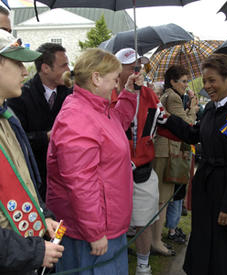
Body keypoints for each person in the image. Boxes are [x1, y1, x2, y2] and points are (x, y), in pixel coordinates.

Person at [158, 53, 227, 275]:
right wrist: (167, 119)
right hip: (207, 184)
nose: (207, 86)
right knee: (204, 241)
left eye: (212, 80)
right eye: (205, 81)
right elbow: (194, 134)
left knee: (226, 250)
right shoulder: (212, 108)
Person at [46, 48, 140, 275]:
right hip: (88, 231)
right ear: (96, 78)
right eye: (115, 79)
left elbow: (117, 124)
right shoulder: (78, 117)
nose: (117, 85)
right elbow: (81, 183)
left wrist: (129, 93)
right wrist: (95, 232)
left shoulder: (96, 108)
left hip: (105, 223)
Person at [0, 29, 64, 275]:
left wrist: (42, 214)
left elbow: (23, 179)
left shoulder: (7, 117)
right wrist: (33, 252)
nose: (26, 72)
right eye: (18, 63)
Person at [113, 48, 167, 275]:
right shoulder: (106, 92)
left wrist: (194, 132)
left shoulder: (149, 94)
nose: (139, 71)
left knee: (144, 220)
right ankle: (115, 262)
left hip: (142, 170)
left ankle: (143, 264)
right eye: (133, 66)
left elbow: (165, 120)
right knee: (114, 223)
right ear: (120, 70)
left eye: (141, 66)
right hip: (114, 174)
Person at [8, 42, 72, 201]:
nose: (68, 70)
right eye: (63, 65)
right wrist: (46, 136)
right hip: (37, 180)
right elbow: (16, 140)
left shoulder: (71, 93)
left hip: (66, 178)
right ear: (45, 68)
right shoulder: (19, 96)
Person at [152, 65, 198, 253]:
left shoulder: (170, 96)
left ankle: (156, 239)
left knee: (163, 198)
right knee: (162, 199)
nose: (186, 85)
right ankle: (156, 241)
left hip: (166, 149)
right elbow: (186, 124)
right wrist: (193, 109)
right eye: (184, 81)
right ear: (173, 81)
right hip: (166, 151)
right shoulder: (172, 97)